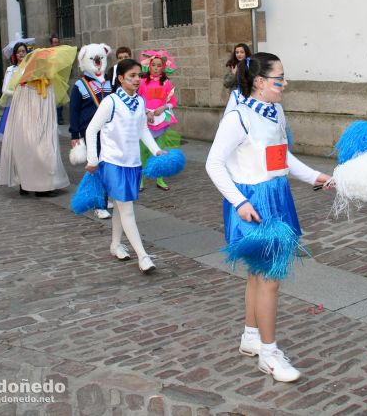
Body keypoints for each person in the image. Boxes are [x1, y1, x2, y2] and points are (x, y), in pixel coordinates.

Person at [205, 52, 332, 383]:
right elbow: (213, 163)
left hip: (277, 195)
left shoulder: (275, 110)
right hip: (253, 201)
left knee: (258, 275)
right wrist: (239, 202)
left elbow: (281, 156)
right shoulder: (238, 117)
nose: (285, 84)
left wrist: (316, 176)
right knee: (270, 278)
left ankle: (251, 336)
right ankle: (269, 353)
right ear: (260, 83)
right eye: (279, 80)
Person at [84, 58, 164, 272]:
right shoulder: (110, 102)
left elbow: (142, 130)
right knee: (127, 209)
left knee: (122, 207)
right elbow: (91, 130)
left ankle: (115, 244)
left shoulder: (139, 102)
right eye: (132, 76)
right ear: (120, 79)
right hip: (113, 163)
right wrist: (92, 159)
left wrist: (156, 150)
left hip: (132, 164)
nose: (137, 79)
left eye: (139, 75)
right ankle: (143, 256)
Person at [0, 45, 76, 197]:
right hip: (27, 124)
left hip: (43, 125)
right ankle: (26, 182)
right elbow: (16, 102)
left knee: (45, 150)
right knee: (27, 149)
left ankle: (44, 185)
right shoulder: (23, 84)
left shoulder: (47, 84)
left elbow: (49, 107)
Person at [69, 43, 113, 220]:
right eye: (93, 59)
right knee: (96, 167)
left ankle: (105, 196)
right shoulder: (79, 86)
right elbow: (73, 111)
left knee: (108, 165)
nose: (97, 62)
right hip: (89, 132)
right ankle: (98, 204)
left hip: (109, 131)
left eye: (100, 59)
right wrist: (74, 135)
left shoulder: (109, 82)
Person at [138, 50, 180, 192]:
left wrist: (163, 107)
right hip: (145, 121)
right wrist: (146, 112)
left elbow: (173, 102)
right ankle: (140, 180)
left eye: (158, 65)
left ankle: (160, 179)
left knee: (160, 151)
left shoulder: (167, 83)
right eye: (153, 65)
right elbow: (137, 100)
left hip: (161, 120)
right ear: (148, 66)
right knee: (143, 151)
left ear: (163, 67)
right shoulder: (142, 82)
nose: (156, 68)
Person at [0, 41, 30, 141]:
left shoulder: (30, 69)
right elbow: (5, 89)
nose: (21, 53)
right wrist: (18, 92)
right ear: (15, 54)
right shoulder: (11, 70)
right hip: (14, 105)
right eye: (19, 52)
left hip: (28, 105)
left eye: (23, 51)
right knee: (14, 134)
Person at [50, 33, 66, 125]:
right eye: (54, 42)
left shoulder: (62, 52)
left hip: (60, 79)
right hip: (52, 80)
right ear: (51, 44)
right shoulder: (49, 53)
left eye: (57, 42)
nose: (56, 44)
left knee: (60, 99)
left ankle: (59, 117)